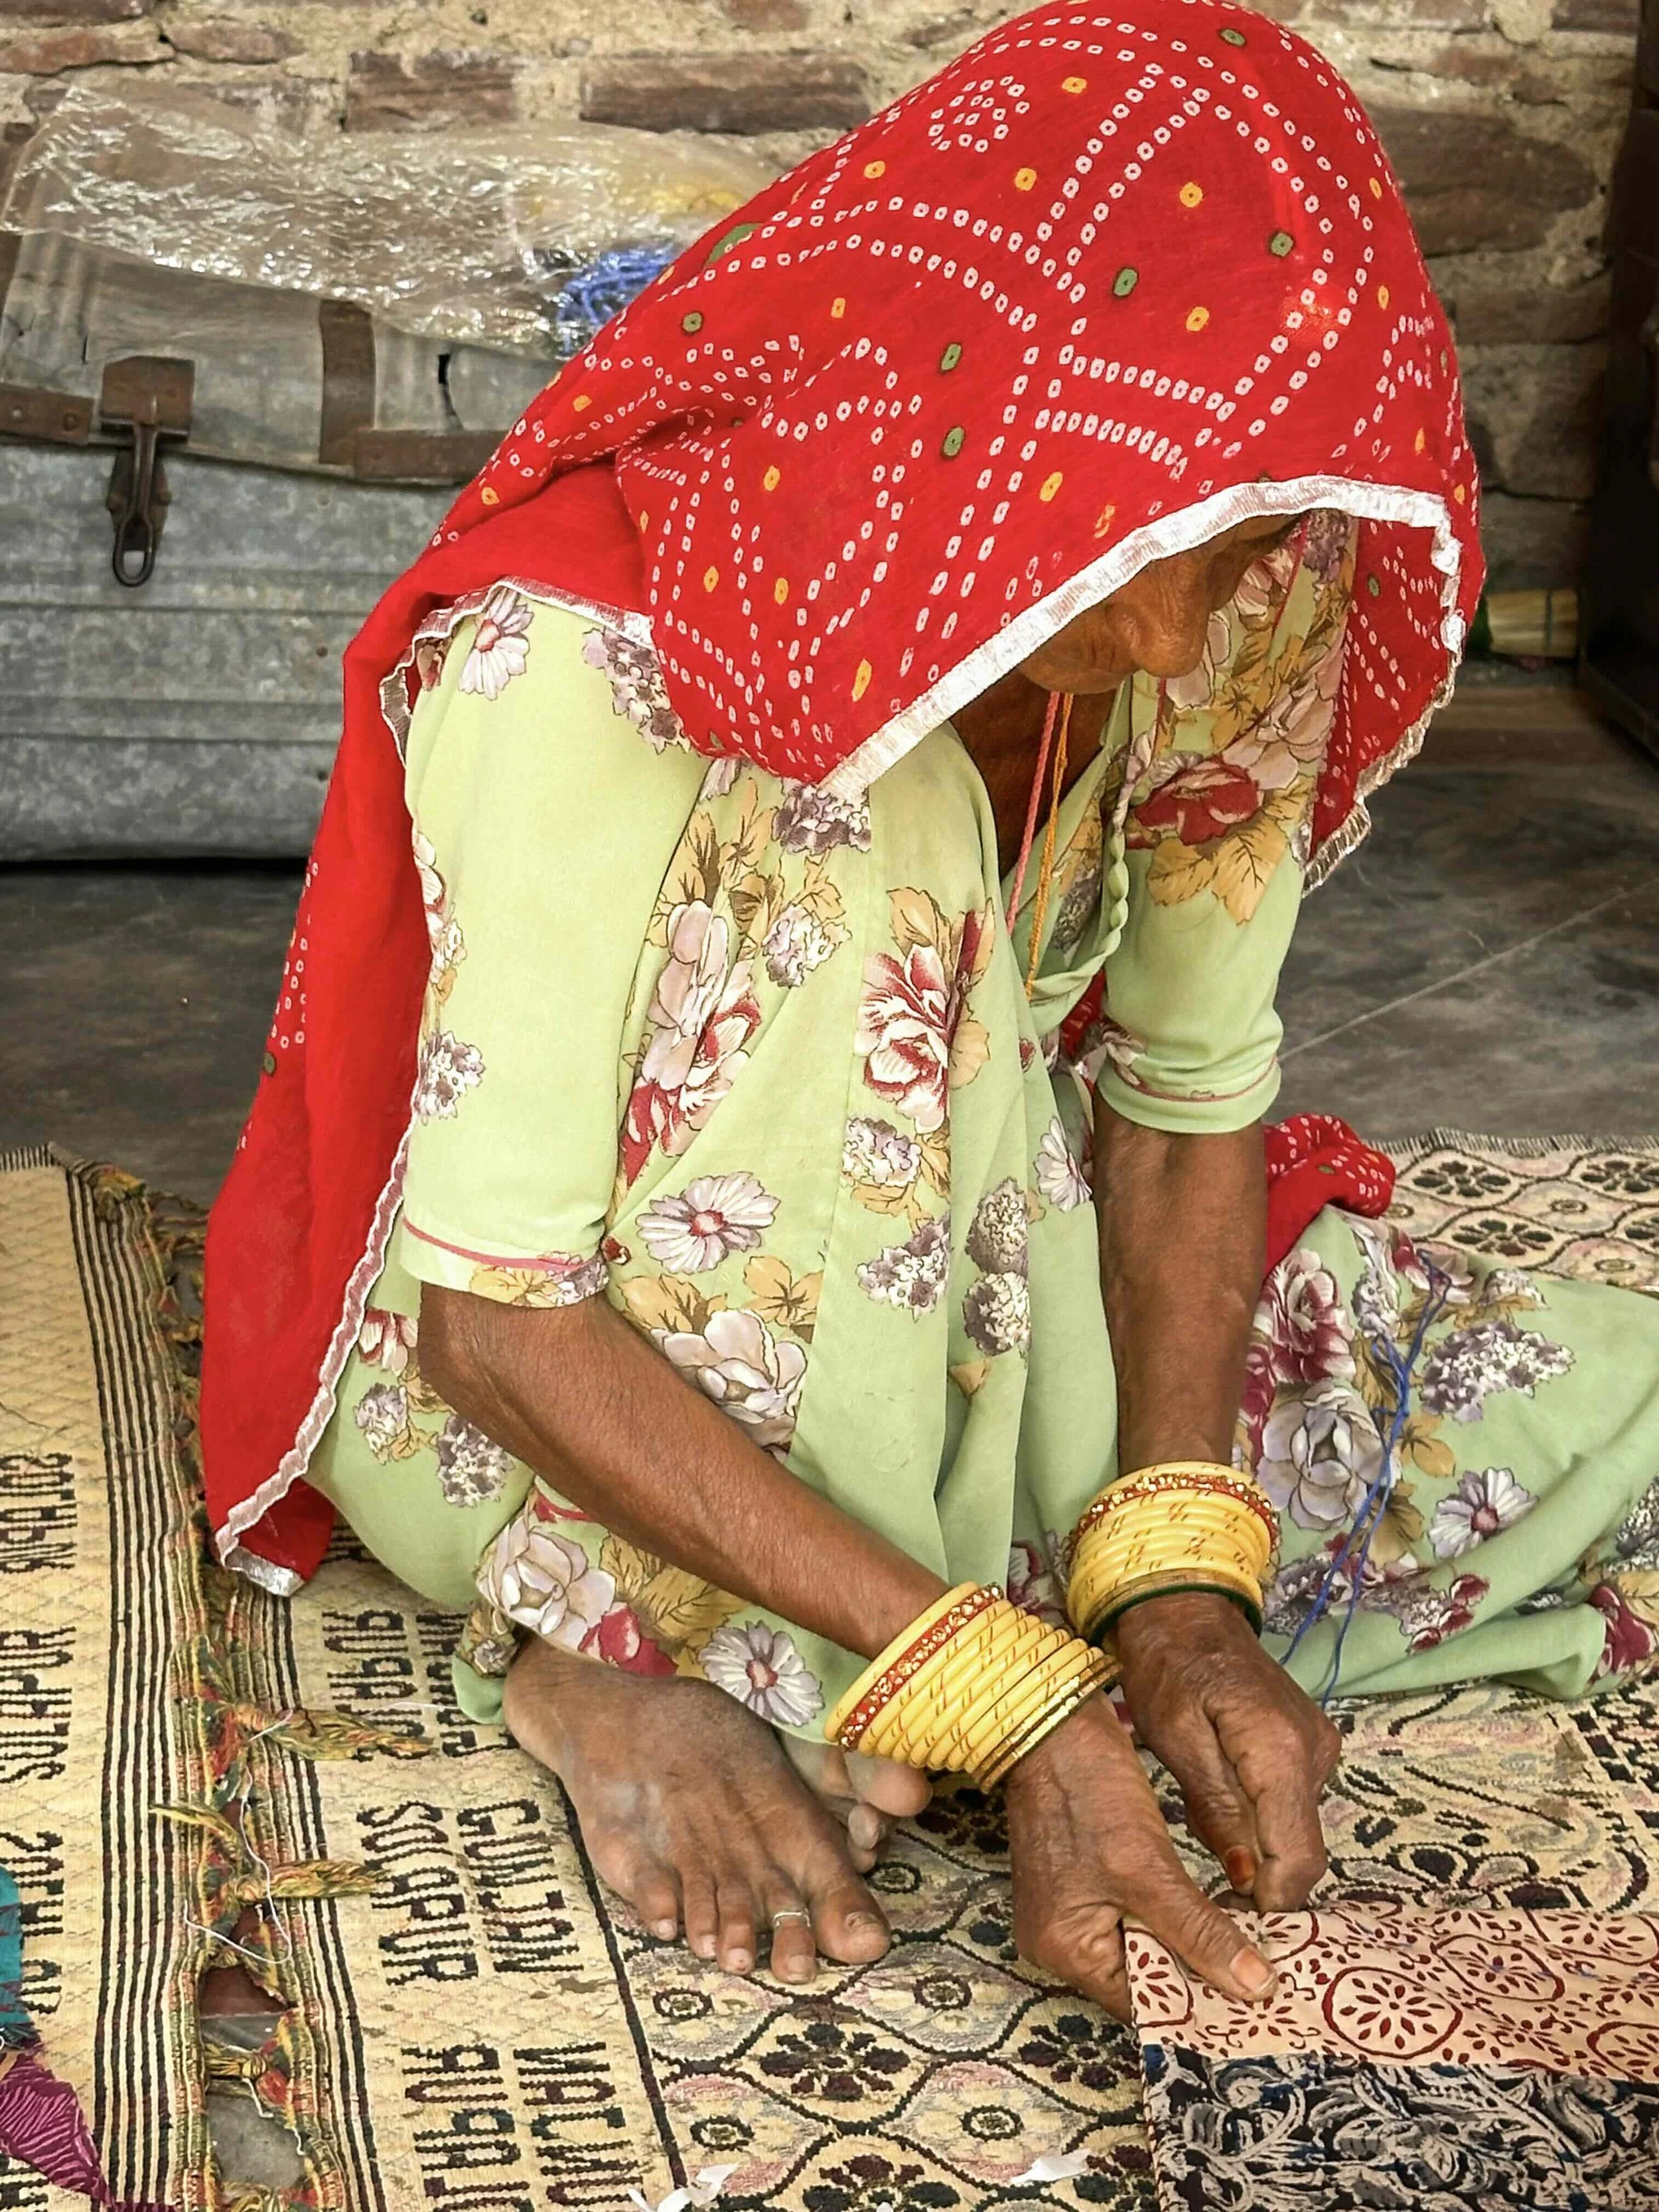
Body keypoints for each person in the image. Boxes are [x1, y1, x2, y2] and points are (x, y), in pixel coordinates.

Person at [200, 0, 1659, 2019]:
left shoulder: (1244, 596)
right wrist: (1023, 1692)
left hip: (969, 1257)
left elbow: (1176, 1092)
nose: (1177, 622)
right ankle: (605, 1647)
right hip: (543, 1357)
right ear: (997, 428)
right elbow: (491, 1311)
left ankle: (807, 1623)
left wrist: (1172, 1578)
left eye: (1228, 542)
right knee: (866, 864)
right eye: (1139, 537)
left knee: (1557, 1411)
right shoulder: (584, 657)